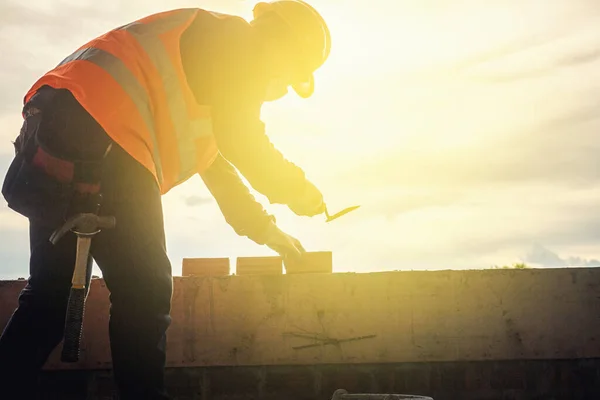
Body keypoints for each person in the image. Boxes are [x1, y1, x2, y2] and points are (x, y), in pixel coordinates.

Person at [0, 1, 332, 399]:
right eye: (288, 77)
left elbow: (225, 178)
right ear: (281, 45)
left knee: (50, 300)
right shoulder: (237, 41)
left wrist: (277, 238)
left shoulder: (203, 79)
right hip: (110, 136)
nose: (279, 90)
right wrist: (298, 190)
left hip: (50, 132)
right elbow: (243, 140)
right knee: (145, 292)